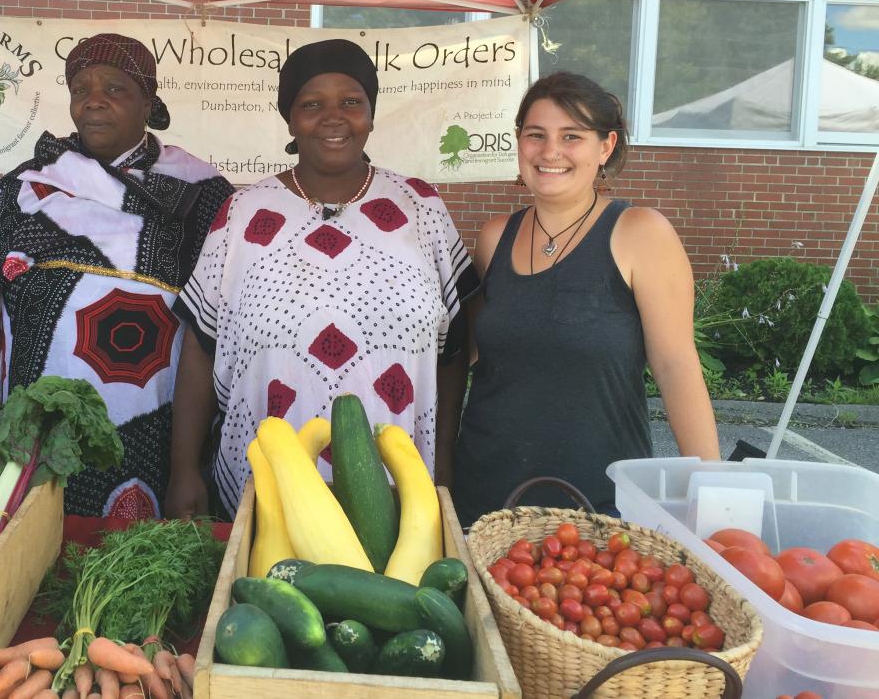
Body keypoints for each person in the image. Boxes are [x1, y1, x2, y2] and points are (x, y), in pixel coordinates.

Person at [165, 38, 479, 519]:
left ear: (371, 114)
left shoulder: (420, 207)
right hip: (268, 484)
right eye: (311, 104)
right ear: (290, 119)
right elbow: (202, 344)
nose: (333, 117)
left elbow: (453, 351)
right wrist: (184, 468)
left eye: (351, 102)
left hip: (401, 486)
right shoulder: (243, 214)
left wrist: (443, 468)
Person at [0, 33, 235, 518]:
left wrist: (190, 466)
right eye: (80, 89)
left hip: (154, 427)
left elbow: (215, 328)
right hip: (36, 423)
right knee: (34, 551)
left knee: (140, 565)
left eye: (115, 88)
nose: (94, 101)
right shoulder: (28, 185)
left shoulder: (202, 193)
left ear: (149, 100)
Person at [453, 71, 720, 524]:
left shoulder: (640, 233)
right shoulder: (495, 237)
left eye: (571, 136)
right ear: (519, 142)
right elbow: (469, 355)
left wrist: (715, 492)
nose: (550, 151)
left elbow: (676, 365)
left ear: (605, 147)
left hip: (599, 501)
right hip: (485, 497)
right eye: (536, 135)